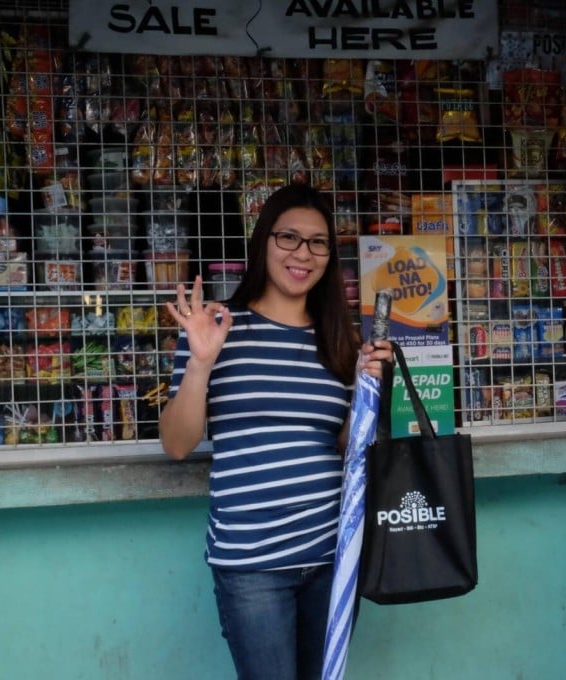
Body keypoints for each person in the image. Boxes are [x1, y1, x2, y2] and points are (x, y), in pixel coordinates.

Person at [158, 182, 391, 680]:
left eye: (318, 242)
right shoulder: (216, 326)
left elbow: (348, 448)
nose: (302, 254)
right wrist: (200, 362)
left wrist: (369, 390)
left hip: (331, 555)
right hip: (251, 565)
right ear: (263, 242)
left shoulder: (340, 339)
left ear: (330, 255)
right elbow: (177, 445)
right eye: (288, 238)